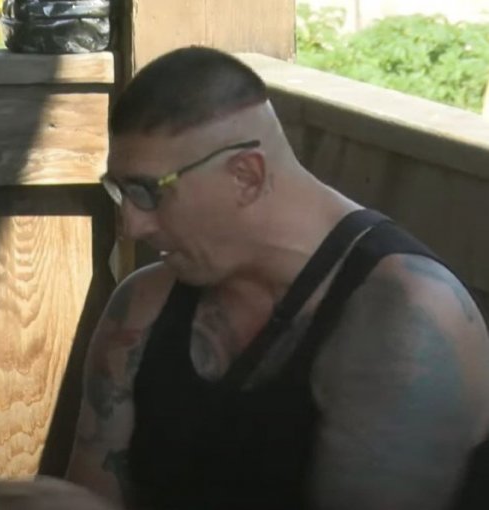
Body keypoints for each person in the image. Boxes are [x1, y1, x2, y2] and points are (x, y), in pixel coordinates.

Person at [63, 46, 489, 510]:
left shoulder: (407, 317)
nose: (132, 225)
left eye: (147, 192)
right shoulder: (142, 304)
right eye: (121, 191)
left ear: (246, 176)